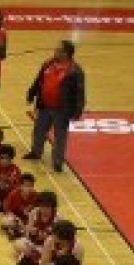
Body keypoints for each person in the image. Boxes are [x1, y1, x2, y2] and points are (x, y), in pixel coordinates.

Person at [24, 39, 85, 172]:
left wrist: (77, 110)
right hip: (44, 105)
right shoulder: (48, 63)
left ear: (66, 53)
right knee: (39, 130)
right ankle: (36, 152)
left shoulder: (75, 71)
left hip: (61, 109)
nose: (55, 52)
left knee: (60, 136)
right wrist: (31, 93)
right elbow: (38, 80)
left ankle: (57, 162)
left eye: (58, 50)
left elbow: (79, 93)